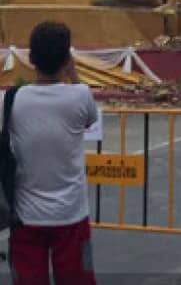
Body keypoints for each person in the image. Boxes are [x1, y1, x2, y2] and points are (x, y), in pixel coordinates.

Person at [8, 21, 100, 285]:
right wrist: (73, 73)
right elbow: (90, 120)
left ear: (31, 59)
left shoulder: (11, 101)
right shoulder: (80, 96)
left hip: (25, 216)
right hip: (71, 215)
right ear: (66, 58)